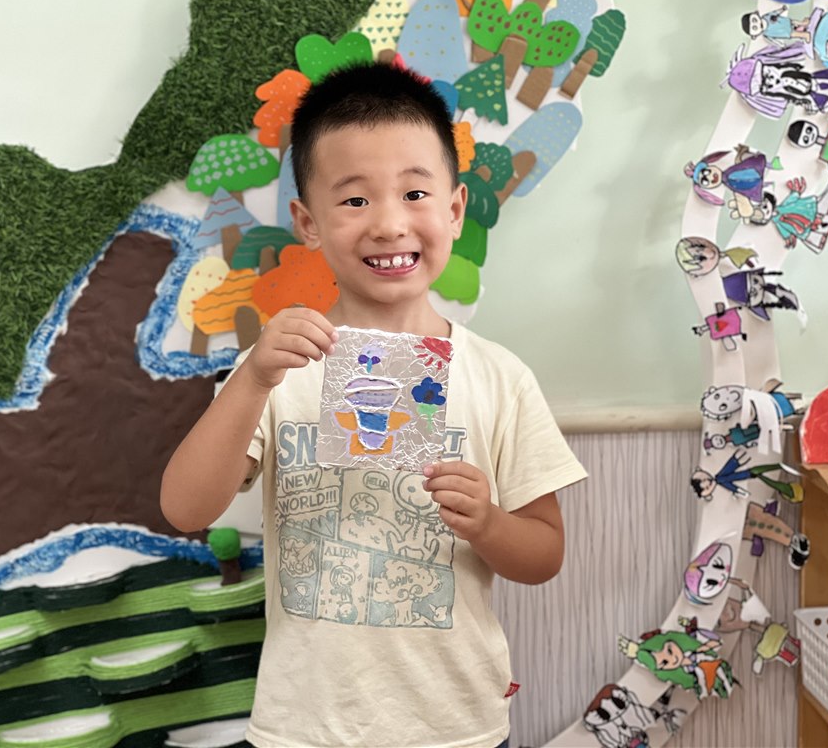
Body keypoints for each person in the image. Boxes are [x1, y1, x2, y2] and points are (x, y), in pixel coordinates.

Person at [162, 62, 587, 748]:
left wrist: (487, 522)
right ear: (308, 223)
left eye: (415, 193)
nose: (390, 224)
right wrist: (253, 379)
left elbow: (543, 556)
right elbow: (185, 508)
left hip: (457, 729)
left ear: (454, 210)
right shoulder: (277, 369)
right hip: (305, 729)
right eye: (355, 200)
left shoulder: (499, 378)